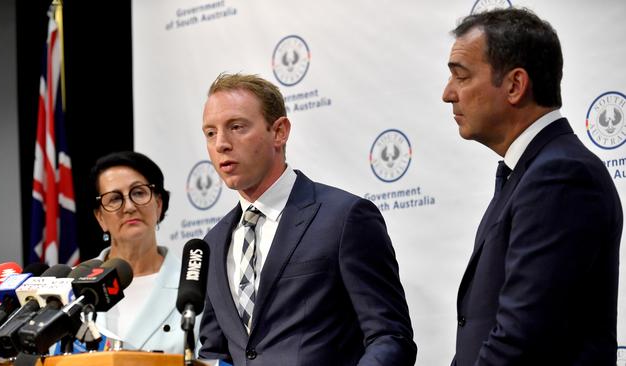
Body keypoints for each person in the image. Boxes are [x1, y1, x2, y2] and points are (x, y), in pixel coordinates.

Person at [442, 8, 622, 366]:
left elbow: (522, 339)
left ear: (514, 85)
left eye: (461, 77)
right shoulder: (528, 172)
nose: (448, 94)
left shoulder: (560, 176)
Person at [197, 73, 417, 365]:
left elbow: (390, 337)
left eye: (236, 127)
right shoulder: (212, 243)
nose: (221, 143)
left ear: (279, 132)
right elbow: (214, 353)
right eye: (210, 133)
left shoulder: (344, 218)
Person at [89, 151, 184, 354]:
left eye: (139, 193)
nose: (130, 207)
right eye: (114, 199)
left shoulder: (196, 285)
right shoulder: (72, 287)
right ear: (100, 218)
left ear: (158, 205)